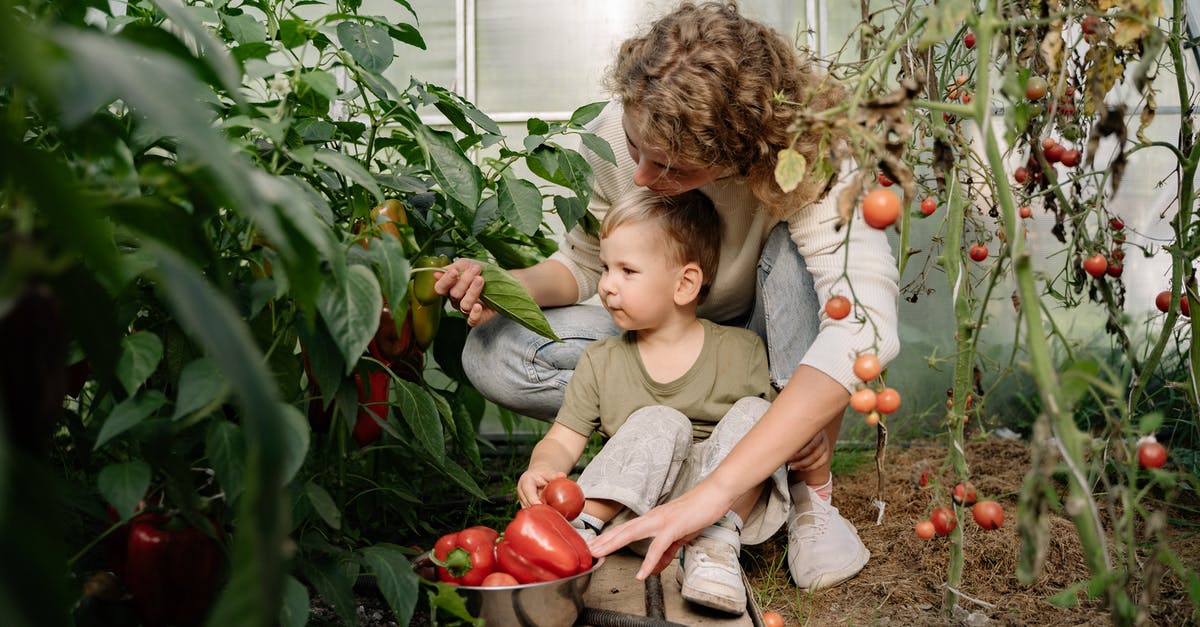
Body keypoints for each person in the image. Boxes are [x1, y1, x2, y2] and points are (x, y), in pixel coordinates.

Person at [435, 0, 900, 589]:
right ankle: (669, 446)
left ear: (741, 153)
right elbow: (583, 265)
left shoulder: (810, 156)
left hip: (763, 352)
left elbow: (865, 325)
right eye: (637, 151)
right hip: (662, 332)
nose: (644, 180)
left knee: (803, 269)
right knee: (494, 350)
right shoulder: (615, 133)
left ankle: (805, 493)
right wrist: (503, 286)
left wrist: (717, 494)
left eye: (675, 170)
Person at [516, 187, 786, 615]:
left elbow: (777, 443)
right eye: (605, 268)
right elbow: (563, 440)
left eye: (627, 271)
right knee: (663, 421)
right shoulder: (601, 360)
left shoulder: (743, 351)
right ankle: (584, 530)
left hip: (717, 511)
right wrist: (542, 468)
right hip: (632, 510)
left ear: (685, 284)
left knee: (761, 415)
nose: (606, 285)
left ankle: (714, 550)